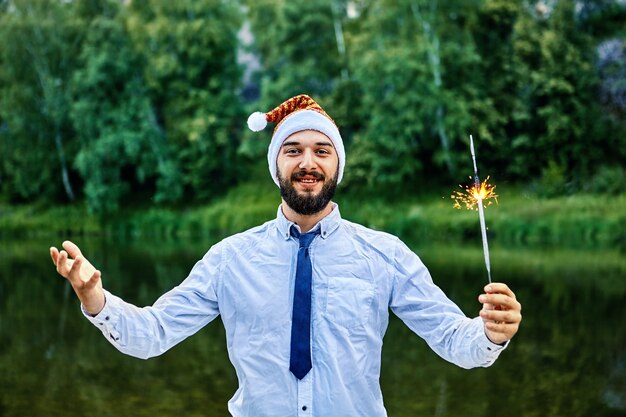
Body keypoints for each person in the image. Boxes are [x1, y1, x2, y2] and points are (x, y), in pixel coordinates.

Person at [50, 94, 522, 417]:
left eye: (322, 150)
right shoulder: (228, 259)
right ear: (277, 163)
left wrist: (490, 334)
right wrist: (95, 298)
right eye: (293, 150)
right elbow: (150, 335)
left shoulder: (386, 256)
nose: (308, 163)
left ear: (337, 164)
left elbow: (456, 343)